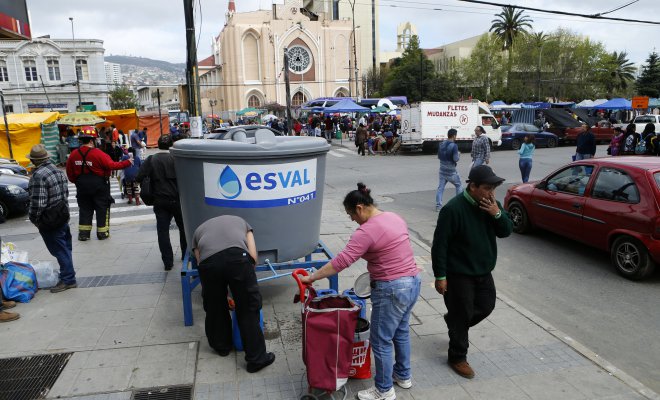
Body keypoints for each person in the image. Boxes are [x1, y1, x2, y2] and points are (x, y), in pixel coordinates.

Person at [300, 183, 421, 400]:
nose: (352, 220)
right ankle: (403, 376)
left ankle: (383, 390)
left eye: (350, 215)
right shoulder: (393, 217)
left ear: (359, 208)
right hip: (413, 281)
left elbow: (341, 262)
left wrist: (312, 277)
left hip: (391, 288)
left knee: (381, 340)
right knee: (401, 331)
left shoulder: (366, 231)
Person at [431, 165, 512, 379]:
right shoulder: (453, 209)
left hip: (484, 270)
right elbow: (440, 245)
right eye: (487, 188)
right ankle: (457, 356)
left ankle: (455, 322)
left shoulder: (491, 205)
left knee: (486, 306)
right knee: (463, 312)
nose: (491, 193)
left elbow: (506, 231)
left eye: (494, 188)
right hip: (459, 273)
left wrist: (496, 214)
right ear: (472, 186)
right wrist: (440, 276)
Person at [192, 215, 275, 372]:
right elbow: (253, 257)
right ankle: (256, 359)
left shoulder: (197, 232)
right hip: (238, 258)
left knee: (214, 305)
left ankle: (222, 347)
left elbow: (200, 262)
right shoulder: (243, 223)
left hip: (209, 264)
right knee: (248, 307)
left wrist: (224, 293)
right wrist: (244, 288)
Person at [27, 144, 78, 293]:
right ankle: (68, 275)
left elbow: (38, 203)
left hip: (49, 219)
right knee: (65, 247)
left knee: (59, 250)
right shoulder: (57, 170)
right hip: (62, 214)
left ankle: (68, 279)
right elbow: (65, 194)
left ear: (34, 161)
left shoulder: (38, 175)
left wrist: (34, 219)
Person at [66, 134, 132, 241]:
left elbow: (70, 173)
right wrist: (127, 162)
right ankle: (102, 233)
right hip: (99, 186)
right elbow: (112, 165)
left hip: (82, 187)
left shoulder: (73, 154)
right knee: (102, 208)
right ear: (92, 141)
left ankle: (83, 234)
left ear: (81, 141)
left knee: (84, 209)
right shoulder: (98, 153)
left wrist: (78, 182)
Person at [136, 134, 186, 271]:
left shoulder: (151, 159)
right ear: (172, 145)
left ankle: (168, 262)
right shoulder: (177, 159)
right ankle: (185, 256)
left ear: (158, 145)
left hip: (159, 200)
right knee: (183, 228)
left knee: (163, 231)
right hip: (177, 199)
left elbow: (139, 176)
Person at [436, 129, 463, 211]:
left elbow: (439, 156)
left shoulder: (441, 144)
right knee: (459, 186)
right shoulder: (454, 146)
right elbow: (455, 159)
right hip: (451, 171)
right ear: (454, 135)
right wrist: (458, 154)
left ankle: (438, 206)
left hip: (442, 169)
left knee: (440, 188)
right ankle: (459, 205)